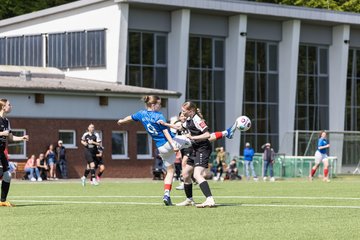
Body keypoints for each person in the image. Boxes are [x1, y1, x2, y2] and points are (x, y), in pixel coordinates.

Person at [117, 95, 192, 206]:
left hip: (161, 148)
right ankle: (222, 134)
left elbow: (130, 118)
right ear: (153, 105)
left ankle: (166, 194)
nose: (160, 106)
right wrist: (174, 146)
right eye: (159, 104)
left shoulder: (141, 114)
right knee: (194, 140)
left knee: (170, 171)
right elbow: (166, 133)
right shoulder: (158, 116)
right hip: (169, 143)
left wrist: (121, 121)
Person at [176, 101, 216, 208]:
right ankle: (189, 200)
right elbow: (180, 128)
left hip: (203, 149)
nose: (183, 113)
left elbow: (207, 134)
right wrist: (164, 125)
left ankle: (210, 199)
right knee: (185, 174)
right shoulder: (189, 119)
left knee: (197, 174)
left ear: (191, 110)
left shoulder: (198, 120)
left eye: (184, 111)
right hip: (195, 149)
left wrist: (193, 137)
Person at [0, 98, 29, 207]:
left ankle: (2, 200)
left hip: (1, 152)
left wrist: (22, 138)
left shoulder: (7, 121)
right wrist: (2, 133)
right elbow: (5, 134)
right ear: (3, 107)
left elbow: (11, 138)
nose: (11, 106)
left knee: (7, 175)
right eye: (9, 104)